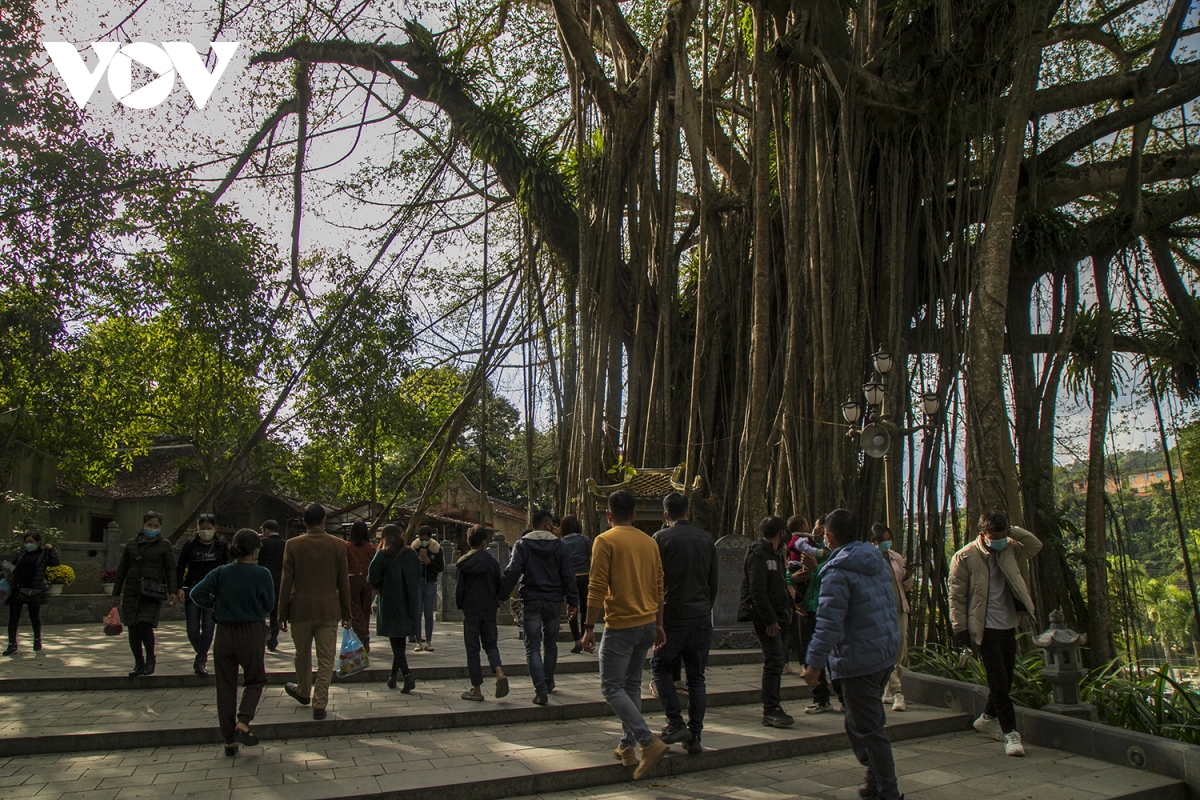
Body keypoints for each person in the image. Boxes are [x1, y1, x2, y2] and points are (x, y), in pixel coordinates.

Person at [803, 509, 902, 800]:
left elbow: (828, 623)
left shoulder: (837, 571)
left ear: (829, 537)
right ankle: (875, 782)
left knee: (869, 731)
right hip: (883, 652)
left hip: (859, 659)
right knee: (858, 722)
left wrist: (814, 662)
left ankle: (889, 792)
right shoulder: (876, 560)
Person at [581, 490, 669, 780]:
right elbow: (659, 587)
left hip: (620, 626)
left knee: (610, 687)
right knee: (631, 685)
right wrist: (658, 625)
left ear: (608, 515)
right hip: (646, 624)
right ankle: (626, 747)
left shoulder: (604, 540)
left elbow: (596, 586)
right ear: (634, 514)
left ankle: (647, 741)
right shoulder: (650, 541)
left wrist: (588, 627)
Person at [950, 511, 1042, 758]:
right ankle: (1010, 733)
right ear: (983, 534)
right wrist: (960, 631)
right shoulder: (965, 556)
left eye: (1003, 535)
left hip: (1008, 624)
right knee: (999, 683)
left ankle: (987, 717)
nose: (1000, 540)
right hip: (984, 627)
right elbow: (956, 598)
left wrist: (1010, 531)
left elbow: (1035, 545)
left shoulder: (1010, 548)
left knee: (1006, 678)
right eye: (995, 536)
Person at [190, 529, 275, 757]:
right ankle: (243, 721)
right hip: (251, 631)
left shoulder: (220, 572)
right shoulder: (262, 573)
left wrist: (215, 604)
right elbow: (268, 605)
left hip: (225, 633)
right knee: (255, 679)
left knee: (225, 686)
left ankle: (229, 740)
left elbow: (196, 594)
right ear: (256, 550)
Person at [650, 491, 716, 755]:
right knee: (697, 677)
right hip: (701, 616)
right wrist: (704, 608)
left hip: (672, 616)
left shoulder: (660, 539)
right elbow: (714, 583)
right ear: (688, 512)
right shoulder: (707, 539)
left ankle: (676, 723)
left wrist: (657, 621)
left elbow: (656, 585)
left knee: (661, 667)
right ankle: (695, 735)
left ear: (666, 515)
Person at [278, 504, 353, 720]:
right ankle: (319, 702)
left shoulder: (292, 545)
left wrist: (281, 614)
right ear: (323, 521)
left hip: (300, 608)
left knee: (302, 654)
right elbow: (343, 582)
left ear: (304, 522)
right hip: (329, 608)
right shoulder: (338, 545)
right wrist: (347, 613)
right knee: (326, 657)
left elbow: (286, 581)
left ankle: (303, 690)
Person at [501, 509, 579, 704]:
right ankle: (549, 681)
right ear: (546, 525)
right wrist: (572, 602)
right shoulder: (559, 546)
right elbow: (568, 574)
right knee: (551, 644)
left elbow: (513, 572)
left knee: (532, 647)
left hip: (532, 600)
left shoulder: (522, 545)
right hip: (554, 601)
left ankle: (540, 690)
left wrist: (501, 594)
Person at [738, 516, 794, 728]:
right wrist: (769, 619)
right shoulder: (758, 553)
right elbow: (757, 590)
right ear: (782, 533)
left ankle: (774, 706)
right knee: (774, 661)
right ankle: (770, 709)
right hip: (766, 618)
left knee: (778, 662)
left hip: (781, 616)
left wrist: (788, 606)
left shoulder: (776, 554)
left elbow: (779, 583)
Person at [112, 511, 177, 677]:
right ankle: (138, 662)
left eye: (156, 526)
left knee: (145, 625)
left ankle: (150, 659)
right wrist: (116, 593)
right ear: (143, 525)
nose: (152, 529)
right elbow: (122, 570)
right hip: (132, 591)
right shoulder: (131, 544)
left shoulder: (165, 545)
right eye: (149, 525)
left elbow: (170, 569)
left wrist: (172, 591)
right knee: (133, 628)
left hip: (152, 592)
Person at [455, 524, 509, 701]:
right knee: (491, 644)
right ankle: (499, 672)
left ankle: (477, 689)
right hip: (488, 609)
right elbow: (498, 584)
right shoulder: (492, 562)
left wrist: (460, 605)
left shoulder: (463, 563)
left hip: (471, 610)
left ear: (467, 541)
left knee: (472, 649)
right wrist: (499, 599)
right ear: (485, 542)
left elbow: (459, 590)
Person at [368, 524, 420, 693]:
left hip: (390, 601)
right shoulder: (411, 553)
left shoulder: (382, 555)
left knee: (395, 639)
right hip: (408, 601)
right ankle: (392, 676)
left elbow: (372, 577)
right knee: (400, 639)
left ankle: (406, 675)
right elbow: (419, 573)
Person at [177, 513, 230, 676]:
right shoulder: (190, 546)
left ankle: (200, 659)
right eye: (203, 528)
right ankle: (202, 653)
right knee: (192, 627)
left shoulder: (221, 546)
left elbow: (227, 568)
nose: (206, 531)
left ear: (215, 529)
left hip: (213, 592)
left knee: (208, 626)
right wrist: (178, 587)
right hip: (192, 590)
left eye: (209, 528)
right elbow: (180, 567)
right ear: (197, 529)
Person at [799, 521, 843, 714]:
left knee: (832, 659)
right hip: (808, 607)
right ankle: (821, 699)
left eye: (821, 529)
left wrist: (816, 568)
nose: (818, 533)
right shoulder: (811, 549)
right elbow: (792, 575)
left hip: (824, 609)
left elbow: (830, 580)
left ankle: (844, 698)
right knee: (810, 655)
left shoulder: (837, 556)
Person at [871, 523, 914, 712]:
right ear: (874, 541)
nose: (887, 543)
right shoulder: (869, 559)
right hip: (881, 611)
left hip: (900, 607)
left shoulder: (896, 557)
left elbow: (905, 586)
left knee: (900, 651)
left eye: (889, 539)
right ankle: (897, 692)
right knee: (887, 651)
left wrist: (908, 576)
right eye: (883, 540)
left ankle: (889, 691)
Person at [5, 530, 59, 655]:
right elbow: (12, 566)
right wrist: (4, 567)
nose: (28, 544)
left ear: (38, 542)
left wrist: (51, 549)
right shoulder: (21, 553)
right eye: (26, 542)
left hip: (34, 590)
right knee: (13, 618)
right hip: (18, 589)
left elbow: (55, 562)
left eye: (31, 542)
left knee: (34, 617)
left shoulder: (43, 554)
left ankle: (37, 641)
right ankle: (11, 644)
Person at [782, 515, 812, 675]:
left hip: (798, 595)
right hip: (791, 596)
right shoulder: (798, 544)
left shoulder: (800, 542)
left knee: (799, 631)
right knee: (793, 630)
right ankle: (789, 662)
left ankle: (803, 664)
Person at [560, 515, 591, 654]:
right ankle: (586, 636)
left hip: (569, 579)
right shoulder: (585, 540)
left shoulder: (561, 543)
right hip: (585, 577)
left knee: (572, 608)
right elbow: (593, 556)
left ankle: (577, 640)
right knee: (585, 608)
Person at [346, 521, 377, 653]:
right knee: (365, 610)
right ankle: (364, 634)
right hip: (367, 580)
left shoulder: (347, 546)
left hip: (352, 579)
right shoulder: (370, 547)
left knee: (355, 609)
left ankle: (362, 634)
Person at [412, 527, 444, 651]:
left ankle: (429, 641)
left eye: (426, 539)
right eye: (422, 539)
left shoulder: (436, 549)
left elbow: (440, 567)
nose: (424, 541)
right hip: (417, 582)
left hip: (430, 582)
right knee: (418, 613)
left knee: (429, 613)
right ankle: (418, 640)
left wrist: (429, 562)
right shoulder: (414, 549)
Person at [257, 520, 286, 651]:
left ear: (267, 530)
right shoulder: (285, 544)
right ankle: (273, 640)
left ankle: (263, 633)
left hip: (263, 581)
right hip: (279, 580)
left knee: (261, 611)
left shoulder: (262, 543)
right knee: (275, 613)